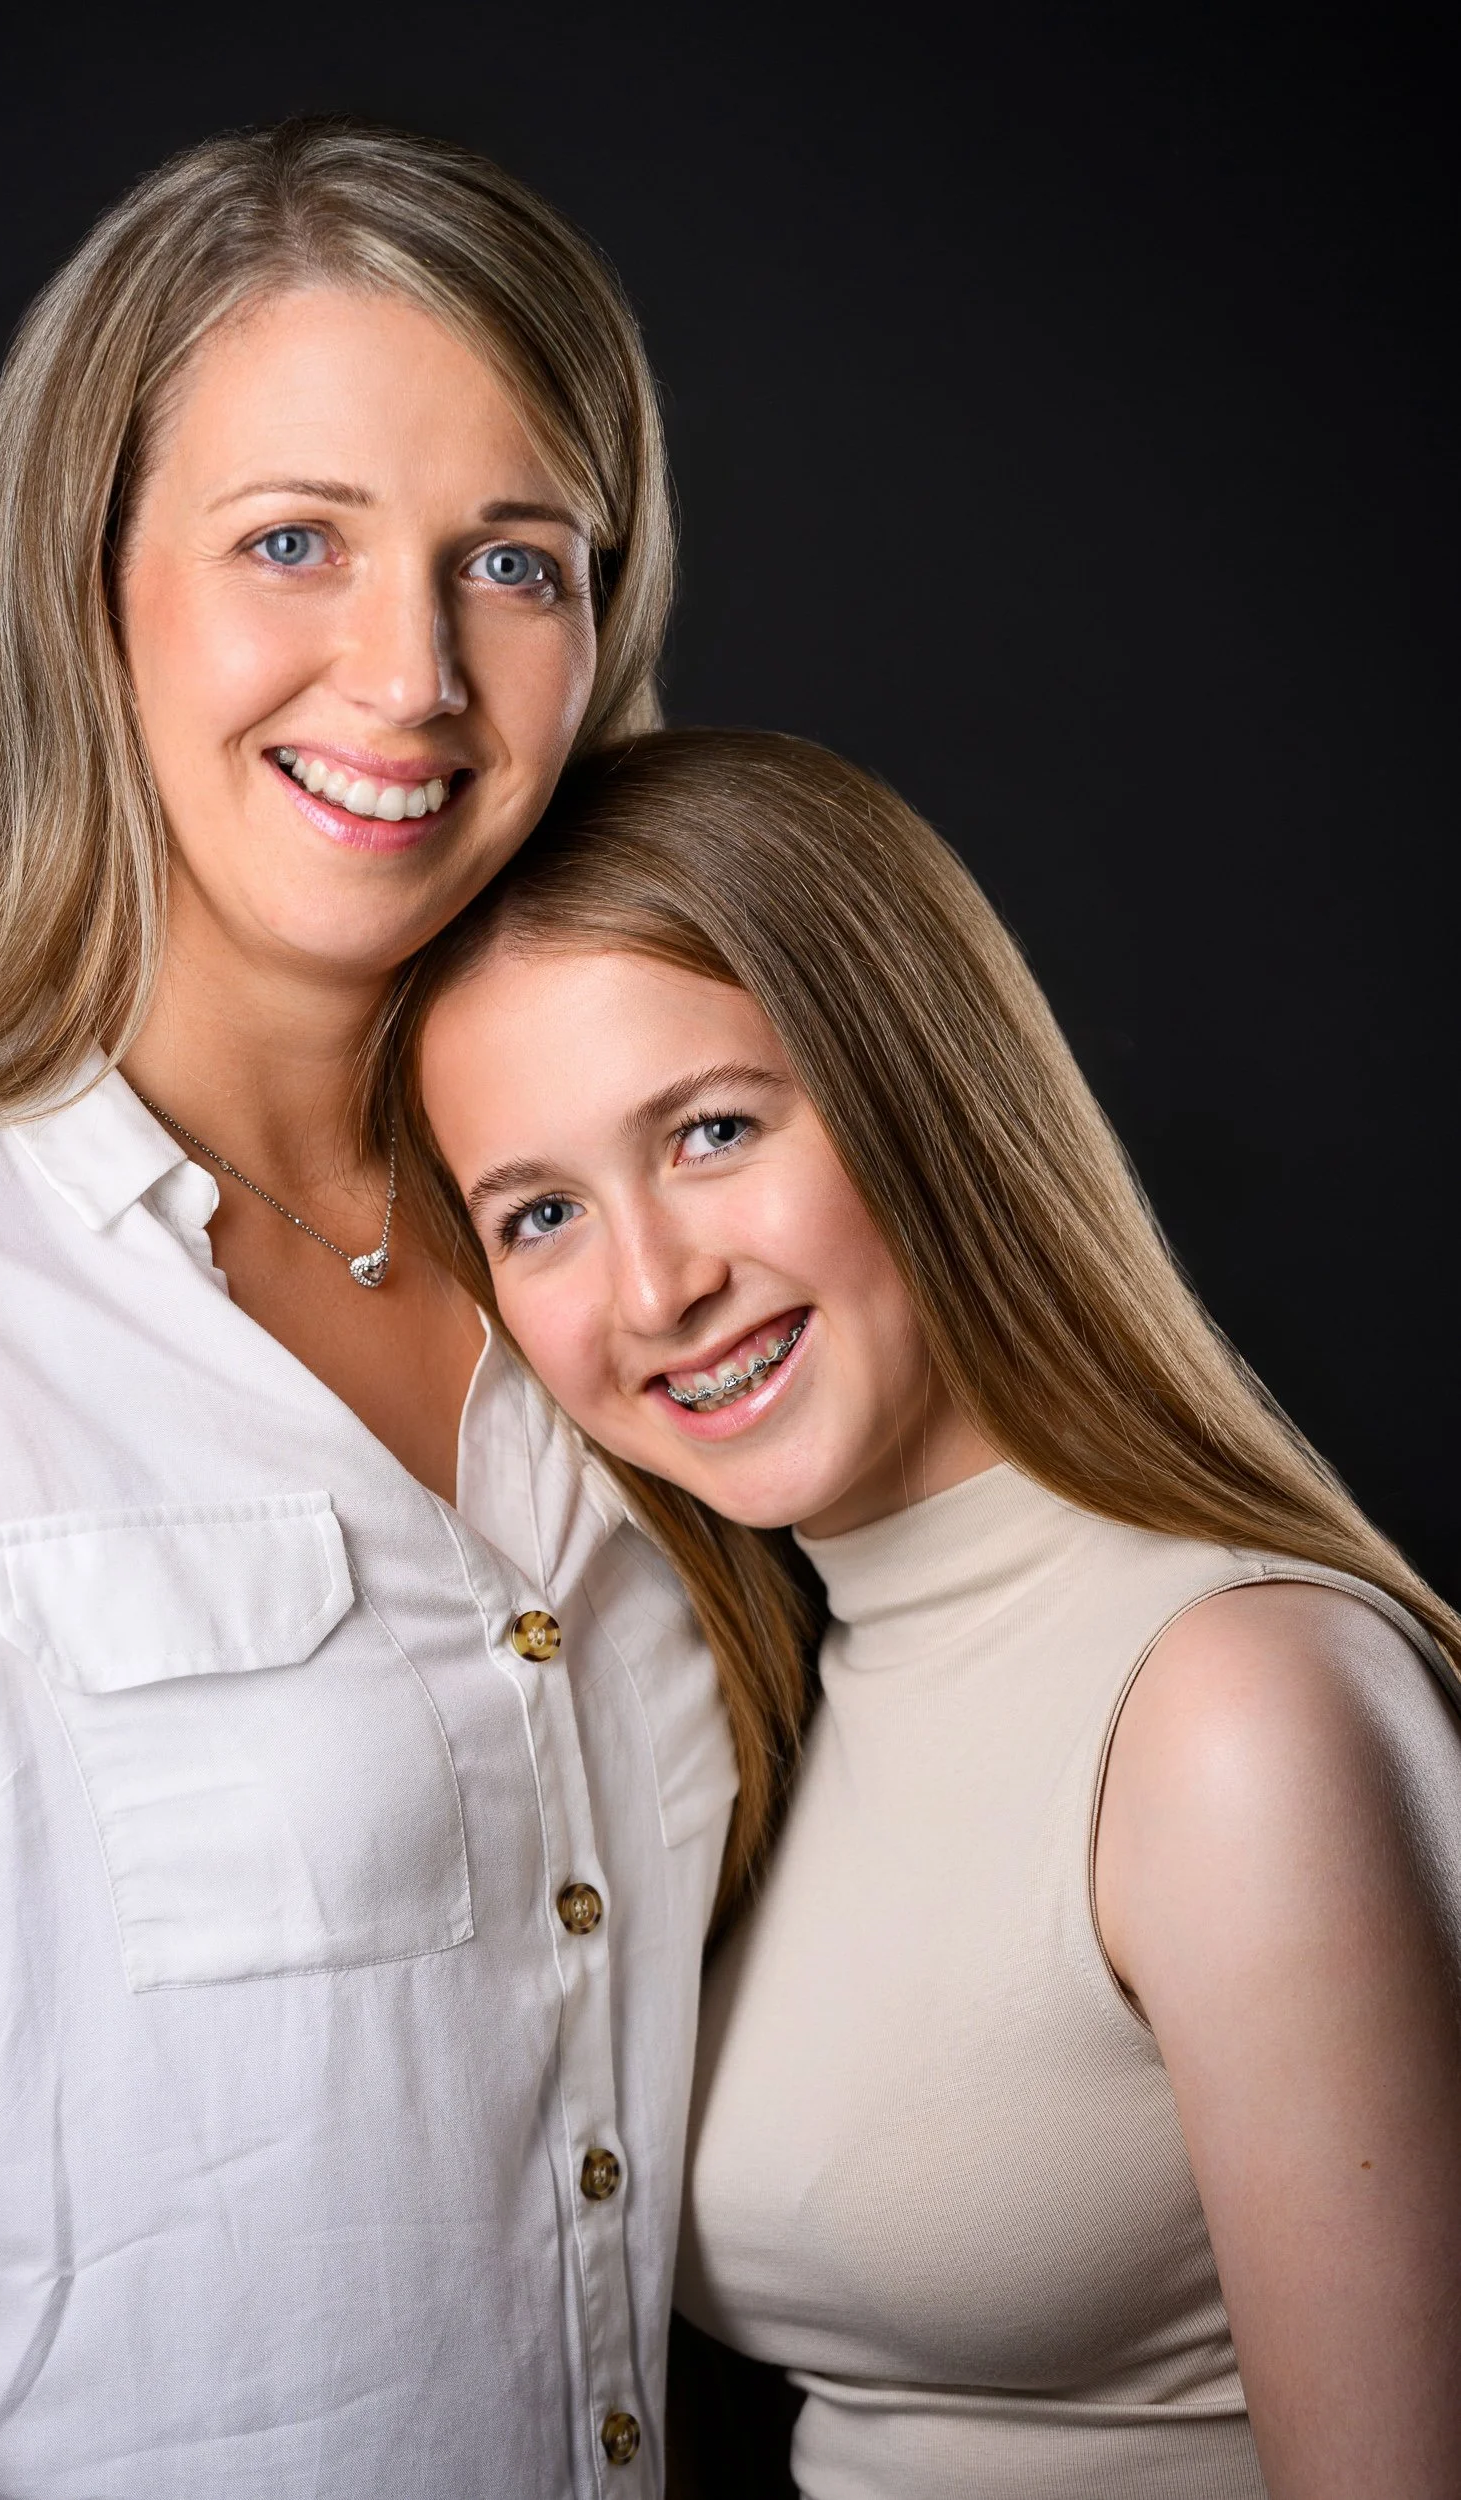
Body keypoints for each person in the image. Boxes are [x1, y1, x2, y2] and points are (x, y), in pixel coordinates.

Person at [0, 123, 774, 2498]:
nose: (412, 677)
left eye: (510, 562)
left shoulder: (655, 1271)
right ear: (86, 583)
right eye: (291, 541)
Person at [404, 726, 1461, 2500]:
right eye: (541, 1214)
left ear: (919, 1087)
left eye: (713, 1131)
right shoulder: (749, 1698)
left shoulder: (1238, 1705)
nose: (654, 1289)